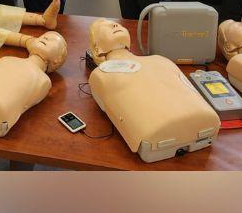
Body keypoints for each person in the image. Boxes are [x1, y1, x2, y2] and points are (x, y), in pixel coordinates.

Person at [87, 18, 220, 162]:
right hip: (181, 131)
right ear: (96, 49)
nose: (114, 24)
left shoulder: (160, 60)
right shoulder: (100, 75)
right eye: (104, 27)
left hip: (171, 135)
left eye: (116, 24)